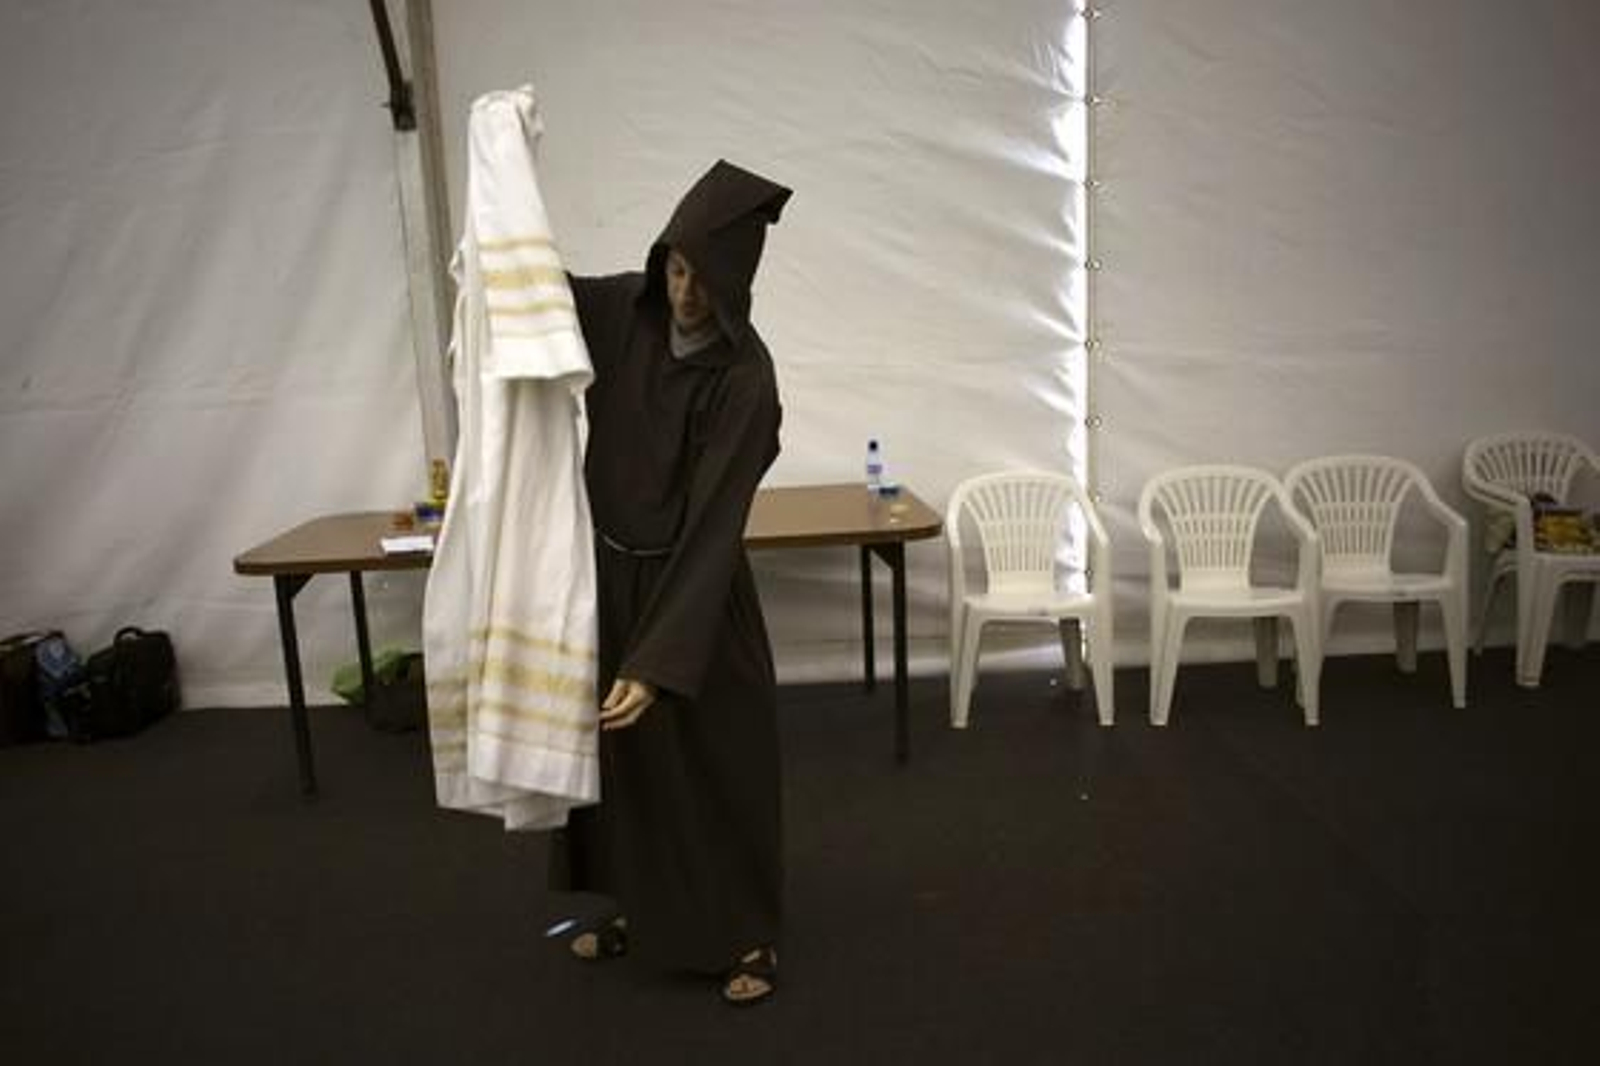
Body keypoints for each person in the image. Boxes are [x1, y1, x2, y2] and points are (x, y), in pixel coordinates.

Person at [550, 159, 792, 1007]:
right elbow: (542, 289)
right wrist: (495, 212)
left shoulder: (747, 379)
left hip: (698, 600)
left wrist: (657, 659)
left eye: (705, 278)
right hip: (614, 578)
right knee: (634, 772)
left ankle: (747, 934)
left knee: (716, 768)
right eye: (677, 268)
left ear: (738, 283)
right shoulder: (628, 311)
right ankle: (645, 914)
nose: (687, 293)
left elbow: (716, 521)